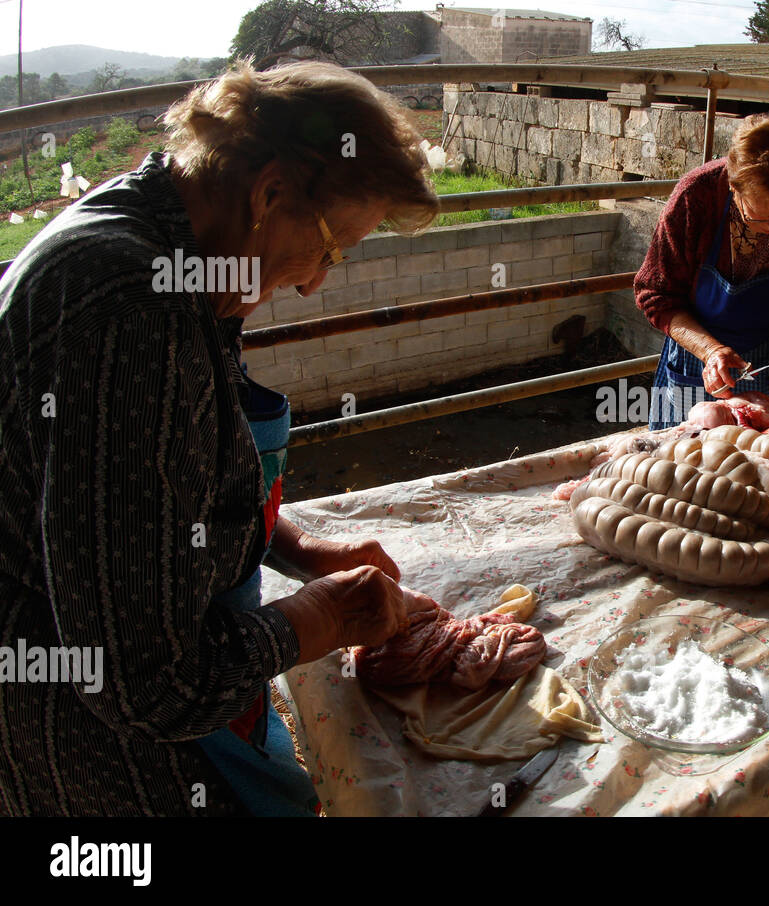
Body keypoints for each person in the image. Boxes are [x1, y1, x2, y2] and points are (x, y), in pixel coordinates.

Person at [0, 61, 442, 816]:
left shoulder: (168, 233)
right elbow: (146, 685)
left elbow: (158, 489)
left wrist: (293, 548)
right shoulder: (135, 316)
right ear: (270, 192)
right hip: (91, 735)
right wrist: (319, 619)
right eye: (332, 249)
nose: (314, 285)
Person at [635, 110, 769, 428]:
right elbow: (657, 294)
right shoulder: (696, 197)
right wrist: (710, 351)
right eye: (761, 217)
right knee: (683, 466)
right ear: (734, 186)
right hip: (698, 362)